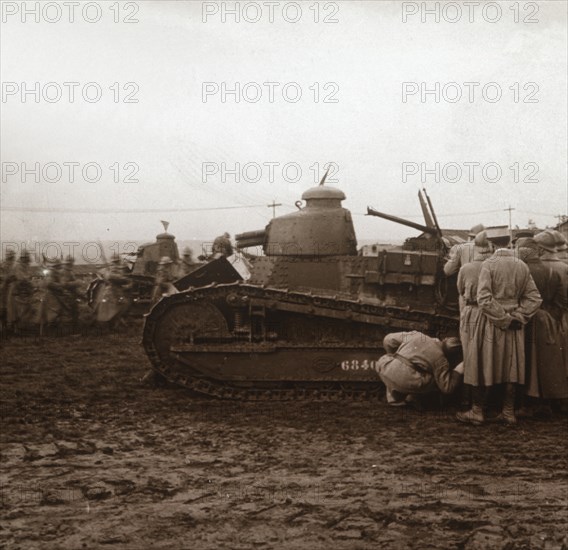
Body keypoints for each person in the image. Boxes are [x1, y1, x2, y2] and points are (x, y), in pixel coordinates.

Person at [457, 245, 542, 425]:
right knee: (511, 367)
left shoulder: (488, 264)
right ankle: (508, 412)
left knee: (480, 363)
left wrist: (503, 319)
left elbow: (484, 298)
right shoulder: (521, 265)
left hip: (489, 321)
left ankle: (477, 411)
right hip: (514, 324)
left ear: (493, 246)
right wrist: (518, 316)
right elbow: (534, 298)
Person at [515, 238, 567, 413]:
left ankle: (529, 403)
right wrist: (552, 317)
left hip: (527, 320)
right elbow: (562, 302)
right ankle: (551, 402)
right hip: (549, 322)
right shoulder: (552, 271)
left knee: (527, 363)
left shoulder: (522, 270)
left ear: (525, 252)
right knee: (550, 364)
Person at [376, 331, 464, 406]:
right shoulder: (441, 360)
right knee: (434, 380)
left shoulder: (418, 335)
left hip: (384, 367)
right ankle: (412, 398)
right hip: (406, 381)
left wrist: (394, 358)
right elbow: (447, 388)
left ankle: (394, 397)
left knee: (396, 362)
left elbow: (388, 340)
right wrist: (458, 370)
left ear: (445, 339)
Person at [534, 231, 568, 380]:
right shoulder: (564, 267)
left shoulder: (536, 267)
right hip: (562, 316)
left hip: (541, 315)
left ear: (541, 249)